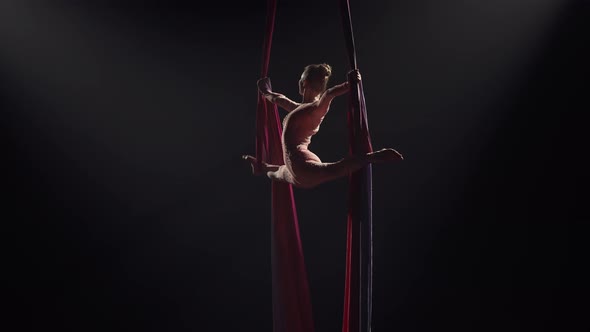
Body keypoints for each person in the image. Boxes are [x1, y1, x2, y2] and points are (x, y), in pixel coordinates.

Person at [243, 63, 402, 189]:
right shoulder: (300, 108)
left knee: (336, 169)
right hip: (295, 171)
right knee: (275, 172)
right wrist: (265, 91)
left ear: (303, 82)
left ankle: (375, 156)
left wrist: (351, 83)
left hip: (304, 164)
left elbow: (330, 94)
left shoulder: (317, 108)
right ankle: (261, 167)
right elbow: (278, 99)